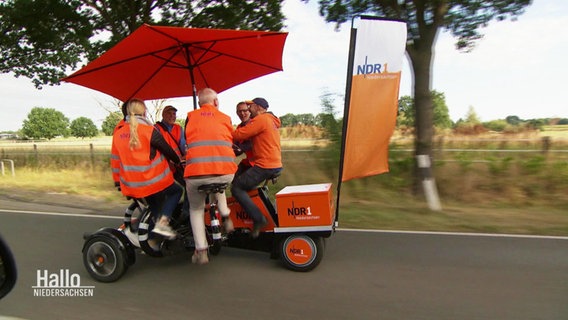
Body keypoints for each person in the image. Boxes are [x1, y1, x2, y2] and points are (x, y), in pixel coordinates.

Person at [112, 99, 183, 239]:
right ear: (143, 112)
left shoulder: (118, 133)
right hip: (151, 181)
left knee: (156, 204)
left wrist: (117, 182)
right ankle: (162, 224)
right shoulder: (149, 130)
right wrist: (178, 160)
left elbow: (115, 160)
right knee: (177, 191)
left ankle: (151, 237)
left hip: (131, 184)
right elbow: (167, 150)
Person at [184, 88, 237, 265]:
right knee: (218, 184)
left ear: (199, 104)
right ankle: (225, 214)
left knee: (196, 209)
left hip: (197, 173)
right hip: (226, 172)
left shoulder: (191, 116)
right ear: (215, 102)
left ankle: (201, 250)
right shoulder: (226, 118)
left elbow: (188, 141)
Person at [231, 97, 282, 238]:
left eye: (250, 106)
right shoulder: (269, 119)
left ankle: (259, 219)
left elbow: (240, 134)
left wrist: (222, 127)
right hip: (273, 163)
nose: (248, 109)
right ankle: (250, 215)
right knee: (243, 184)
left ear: (258, 107)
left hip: (265, 165)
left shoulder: (261, 119)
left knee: (237, 188)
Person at [233, 101, 254, 178]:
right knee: (234, 180)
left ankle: (258, 190)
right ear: (237, 113)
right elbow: (235, 145)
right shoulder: (239, 127)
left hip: (258, 164)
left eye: (245, 111)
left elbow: (250, 145)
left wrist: (239, 148)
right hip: (248, 162)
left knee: (239, 186)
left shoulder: (255, 124)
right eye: (239, 111)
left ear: (250, 111)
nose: (242, 114)